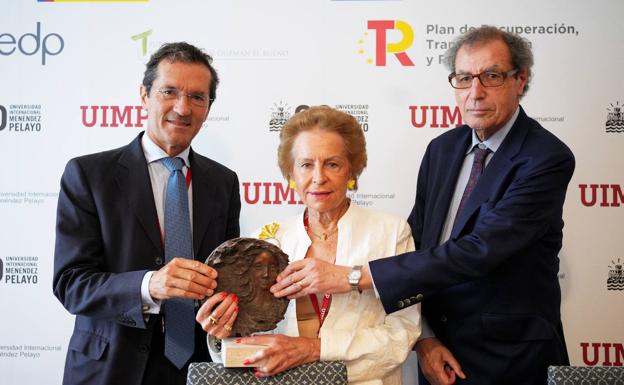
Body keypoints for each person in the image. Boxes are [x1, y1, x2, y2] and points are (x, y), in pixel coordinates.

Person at [272, 26, 575, 385]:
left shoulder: (545, 158)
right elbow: (423, 246)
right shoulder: (443, 149)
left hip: (509, 359)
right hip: (438, 355)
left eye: (491, 76)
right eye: (464, 78)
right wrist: (426, 337)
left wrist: (352, 276)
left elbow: (480, 250)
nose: (475, 92)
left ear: (520, 79)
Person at [53, 42, 241, 385]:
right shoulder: (89, 175)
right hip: (109, 368)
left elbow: (224, 278)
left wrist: (227, 309)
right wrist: (149, 285)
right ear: (144, 95)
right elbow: (71, 284)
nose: (182, 108)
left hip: (196, 369)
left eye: (198, 97)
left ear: (209, 107)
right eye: (169, 91)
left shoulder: (223, 182)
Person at [198, 106, 421, 384]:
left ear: (352, 169)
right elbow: (247, 344)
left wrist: (313, 350)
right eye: (306, 165)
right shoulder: (264, 241)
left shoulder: (390, 232)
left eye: (332, 164)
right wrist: (224, 334)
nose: (318, 177)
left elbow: (402, 334)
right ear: (291, 173)